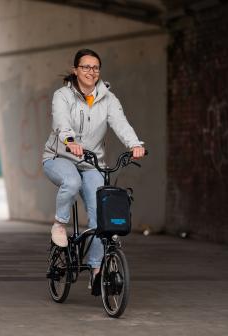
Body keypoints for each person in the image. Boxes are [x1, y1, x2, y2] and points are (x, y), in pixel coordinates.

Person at [42, 48, 145, 288]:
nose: (91, 72)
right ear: (75, 70)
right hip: (59, 157)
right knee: (72, 182)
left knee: (102, 217)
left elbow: (121, 124)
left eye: (95, 67)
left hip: (91, 162)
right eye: (86, 67)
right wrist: (70, 141)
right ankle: (59, 224)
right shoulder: (63, 96)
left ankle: (97, 268)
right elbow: (61, 121)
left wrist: (135, 144)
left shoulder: (108, 98)